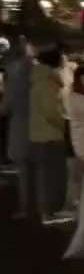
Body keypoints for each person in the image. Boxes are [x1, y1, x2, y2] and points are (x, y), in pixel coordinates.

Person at [29, 45, 69, 223]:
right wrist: (64, 124)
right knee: (52, 175)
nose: (66, 61)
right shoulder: (48, 81)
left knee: (44, 175)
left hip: (39, 133)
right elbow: (51, 110)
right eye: (63, 58)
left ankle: (46, 210)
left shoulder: (39, 78)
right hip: (50, 134)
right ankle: (50, 211)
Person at [2, 39, 34, 219]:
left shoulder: (13, 74)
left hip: (21, 125)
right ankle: (45, 207)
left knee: (24, 169)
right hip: (43, 124)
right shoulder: (39, 69)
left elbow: (5, 107)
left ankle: (25, 208)